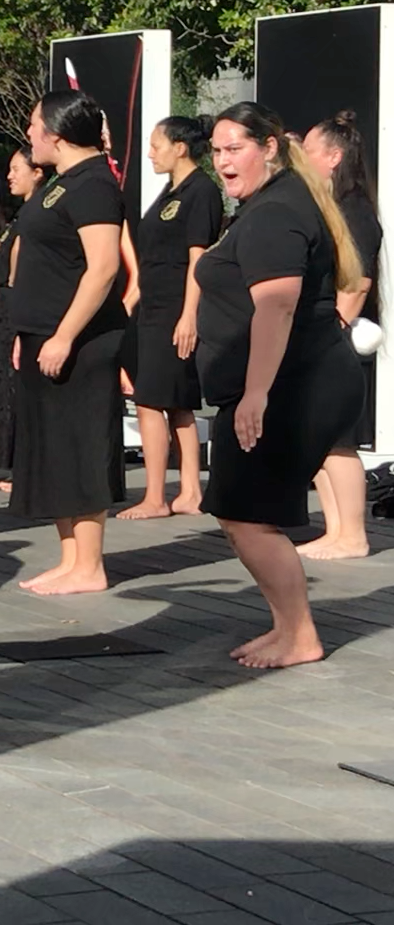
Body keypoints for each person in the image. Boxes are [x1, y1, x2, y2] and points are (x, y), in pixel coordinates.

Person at [196, 102, 365, 668]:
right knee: (242, 510)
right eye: (216, 150)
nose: (223, 161)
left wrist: (255, 393)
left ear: (268, 147)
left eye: (235, 148)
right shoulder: (273, 202)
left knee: (246, 513)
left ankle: (299, 634)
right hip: (289, 380)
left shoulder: (274, 213)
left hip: (292, 385)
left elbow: (277, 307)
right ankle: (288, 627)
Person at [9, 91, 126, 596]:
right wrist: (27, 333)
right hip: (43, 334)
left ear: (56, 133)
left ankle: (90, 564)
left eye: (35, 126)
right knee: (53, 449)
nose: (30, 135)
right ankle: (69, 558)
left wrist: (63, 335)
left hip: (80, 341)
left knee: (80, 445)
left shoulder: (95, 183)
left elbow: (103, 267)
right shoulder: (63, 183)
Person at [117, 116, 224, 520]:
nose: (150, 153)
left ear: (180, 147)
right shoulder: (169, 191)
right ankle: (191, 490)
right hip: (153, 306)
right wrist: (131, 301)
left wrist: (189, 315)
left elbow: (198, 257)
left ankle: (156, 495)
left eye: (156, 145)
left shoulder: (202, 192)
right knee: (174, 402)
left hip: (177, 309)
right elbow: (153, 260)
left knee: (152, 400)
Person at [298, 110, 383, 560]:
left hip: (339, 341)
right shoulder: (328, 208)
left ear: (333, 157)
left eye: (309, 150)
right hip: (321, 336)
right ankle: (334, 529)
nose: (302, 157)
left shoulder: (355, 212)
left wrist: (333, 333)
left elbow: (358, 283)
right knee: (321, 438)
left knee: (339, 442)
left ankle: (353, 534)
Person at [0, 147, 48, 490]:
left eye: (18, 168)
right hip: (6, 309)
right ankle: (18, 467)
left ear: (38, 172)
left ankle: (29, 471)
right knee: (7, 389)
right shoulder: (21, 218)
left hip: (23, 307)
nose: (11, 175)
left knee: (22, 391)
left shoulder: (43, 214)